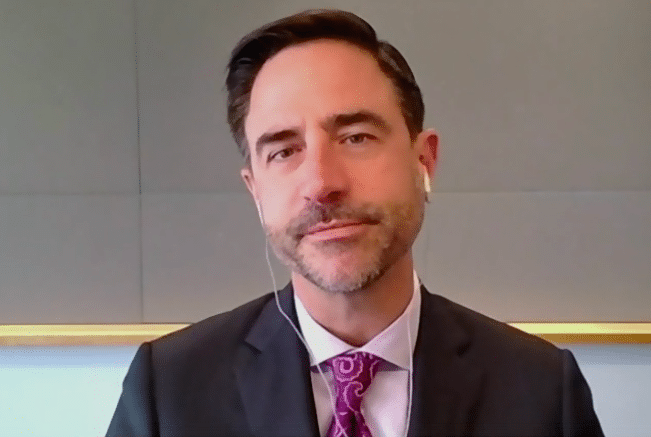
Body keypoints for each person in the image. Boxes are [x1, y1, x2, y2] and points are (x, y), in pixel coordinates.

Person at [107, 9, 604, 437]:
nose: (321, 183)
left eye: (356, 138)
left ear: (424, 161)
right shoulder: (168, 392)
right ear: (255, 189)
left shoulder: (543, 392)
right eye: (284, 151)